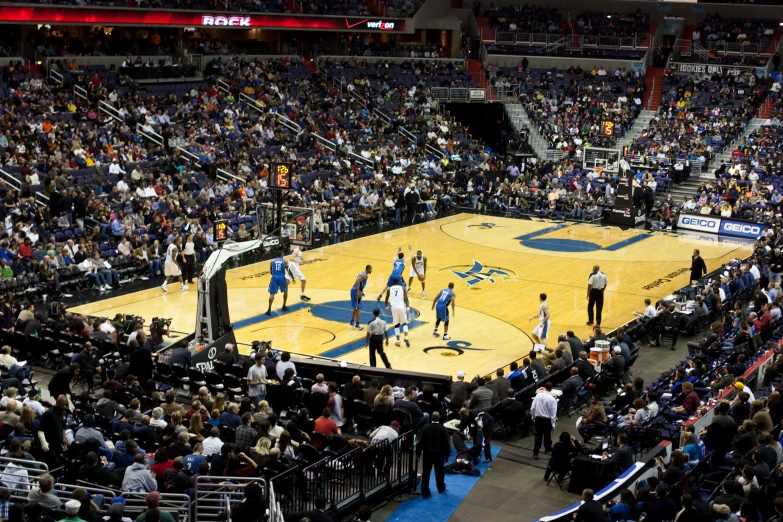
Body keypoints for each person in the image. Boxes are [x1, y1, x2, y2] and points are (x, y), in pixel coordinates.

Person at [417, 411, 450, 499]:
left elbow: (421, 441)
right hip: (439, 454)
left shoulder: (426, 427)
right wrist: (447, 454)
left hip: (427, 453)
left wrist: (418, 452)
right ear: (439, 418)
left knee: (426, 472)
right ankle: (440, 487)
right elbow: (446, 443)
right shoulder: (443, 429)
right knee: (439, 472)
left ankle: (425, 491)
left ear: (431, 418)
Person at [531, 382, 557, 459]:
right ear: (551, 389)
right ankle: (547, 448)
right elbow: (553, 413)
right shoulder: (552, 399)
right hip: (547, 420)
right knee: (547, 435)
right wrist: (553, 425)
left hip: (538, 419)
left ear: (544, 388)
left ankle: (535, 453)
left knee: (537, 436)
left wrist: (533, 416)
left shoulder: (538, 395)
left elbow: (533, 407)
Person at [385, 277, 410, 347]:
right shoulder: (403, 288)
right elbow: (406, 299)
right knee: (404, 323)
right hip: (402, 306)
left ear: (393, 283)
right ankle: (406, 337)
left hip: (394, 307)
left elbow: (386, 298)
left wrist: (387, 306)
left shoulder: (389, 289)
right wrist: (408, 307)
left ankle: (398, 341)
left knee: (396, 325)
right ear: (398, 282)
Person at [265, 249, 289, 315]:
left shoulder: (272, 261)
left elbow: (271, 271)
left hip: (274, 277)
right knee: (286, 290)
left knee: (272, 294)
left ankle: (269, 309)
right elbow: (287, 270)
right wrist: (291, 277)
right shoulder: (285, 261)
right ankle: (284, 305)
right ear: (281, 255)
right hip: (282, 277)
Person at [350, 265, 372, 330]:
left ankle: (352, 322)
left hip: (354, 290)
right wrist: (358, 291)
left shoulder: (363, 273)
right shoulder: (364, 275)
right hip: (355, 291)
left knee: (355, 307)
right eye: (371, 269)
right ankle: (357, 324)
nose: (371, 270)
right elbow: (356, 282)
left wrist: (361, 291)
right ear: (368, 269)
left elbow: (360, 284)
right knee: (358, 308)